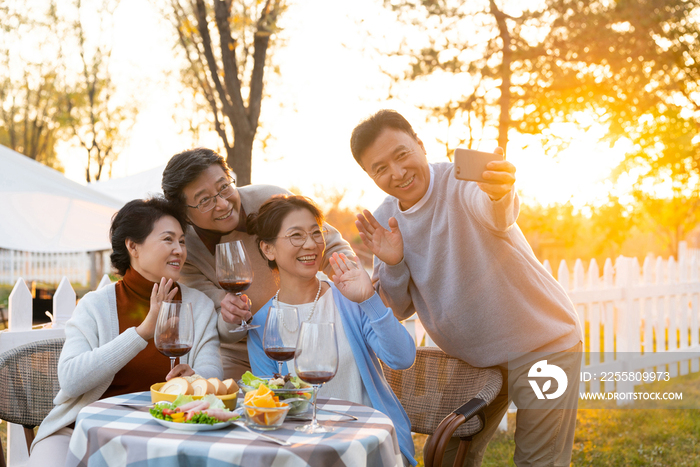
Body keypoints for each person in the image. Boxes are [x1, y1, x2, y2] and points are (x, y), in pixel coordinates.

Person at [350, 109, 583, 467]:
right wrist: (393, 262)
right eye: (380, 168)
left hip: (543, 345)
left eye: (401, 154)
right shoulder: (384, 220)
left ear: (421, 145)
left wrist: (498, 193)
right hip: (474, 362)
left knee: (539, 462)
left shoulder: (462, 182)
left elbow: (496, 213)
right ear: (370, 175)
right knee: (444, 458)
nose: (396, 173)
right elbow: (396, 308)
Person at [28, 198, 223, 467]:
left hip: (166, 435)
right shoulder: (95, 306)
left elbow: (213, 374)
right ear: (133, 246)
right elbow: (71, 380)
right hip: (80, 432)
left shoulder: (199, 306)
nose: (179, 249)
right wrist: (142, 332)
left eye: (182, 241)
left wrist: (196, 379)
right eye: (168, 239)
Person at [244, 195, 417, 466]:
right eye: (296, 236)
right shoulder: (262, 324)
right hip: (304, 449)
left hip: (370, 442)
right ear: (268, 249)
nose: (311, 244)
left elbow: (403, 357)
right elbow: (270, 404)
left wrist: (370, 299)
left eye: (316, 233)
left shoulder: (348, 299)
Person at [162, 148, 354, 380]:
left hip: (297, 332)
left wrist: (352, 287)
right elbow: (219, 323)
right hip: (238, 351)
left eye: (224, 187)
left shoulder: (269, 198)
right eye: (204, 201)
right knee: (229, 403)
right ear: (184, 213)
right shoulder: (186, 250)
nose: (222, 204)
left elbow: (330, 246)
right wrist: (231, 316)